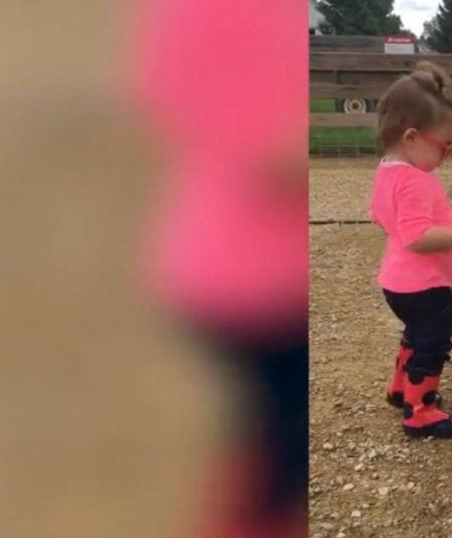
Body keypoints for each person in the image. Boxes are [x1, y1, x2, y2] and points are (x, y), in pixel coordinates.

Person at [128, 0, 308, 536]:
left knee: (262, 444)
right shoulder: (216, 13)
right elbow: (266, 154)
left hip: (230, 272)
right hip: (255, 283)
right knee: (273, 455)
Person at [369, 62, 452, 439]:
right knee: (433, 343)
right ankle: (420, 411)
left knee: (415, 334)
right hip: (424, 286)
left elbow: (379, 217)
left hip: (397, 282)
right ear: (412, 137)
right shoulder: (416, 181)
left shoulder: (386, 171)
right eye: (445, 146)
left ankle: (401, 389)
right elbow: (418, 237)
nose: (447, 156)